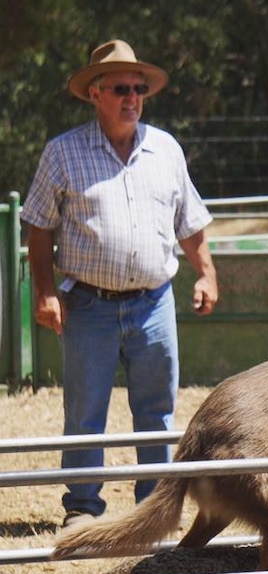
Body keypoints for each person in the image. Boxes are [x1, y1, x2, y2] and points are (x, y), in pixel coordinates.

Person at [21, 39, 218, 528]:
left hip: (154, 302)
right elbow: (38, 230)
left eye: (139, 89)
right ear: (95, 93)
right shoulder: (63, 152)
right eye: (121, 89)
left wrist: (207, 272)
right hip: (88, 304)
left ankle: (154, 508)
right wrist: (45, 291)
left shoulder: (165, 149)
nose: (132, 97)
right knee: (85, 411)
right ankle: (83, 508)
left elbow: (188, 221)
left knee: (157, 409)